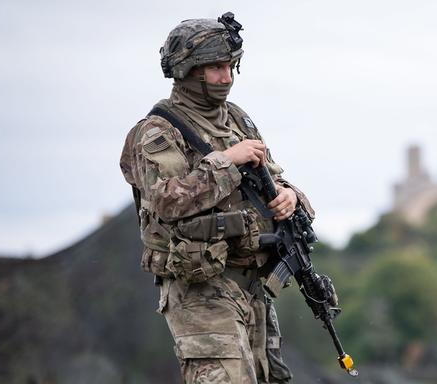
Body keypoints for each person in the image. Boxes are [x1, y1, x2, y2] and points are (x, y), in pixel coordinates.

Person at [119, 12, 312, 383]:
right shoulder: (158, 131)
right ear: (188, 70)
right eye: (215, 68)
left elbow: (274, 178)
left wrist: (291, 198)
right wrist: (227, 162)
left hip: (252, 288)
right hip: (200, 289)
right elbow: (166, 200)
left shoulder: (238, 120)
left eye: (230, 67)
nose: (226, 77)